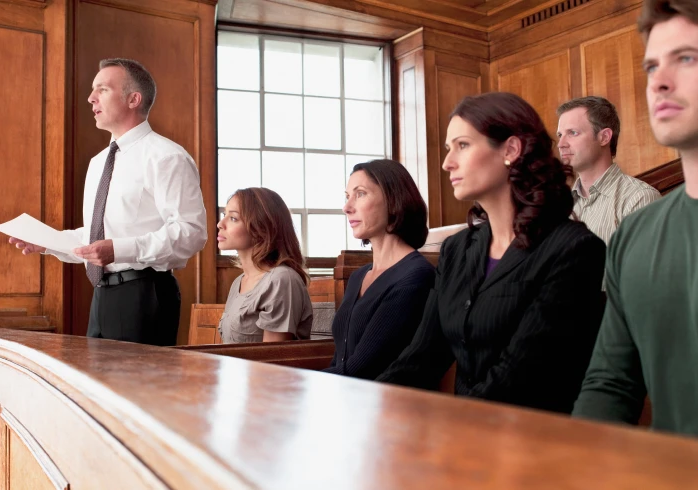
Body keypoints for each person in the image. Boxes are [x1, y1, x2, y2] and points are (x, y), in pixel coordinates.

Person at [573, 0, 698, 448]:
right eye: (651, 66)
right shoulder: (636, 234)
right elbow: (609, 387)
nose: (658, 82)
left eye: (686, 58)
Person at [376, 93, 606, 414]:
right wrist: (366, 405)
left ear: (510, 150)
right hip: (469, 437)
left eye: (463, 145)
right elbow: (421, 356)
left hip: (536, 445)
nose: (447, 162)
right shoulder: (457, 250)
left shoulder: (574, 250)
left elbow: (516, 380)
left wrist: (447, 432)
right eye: (448, 148)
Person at [9, 58, 206, 346]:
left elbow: (191, 232)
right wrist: (48, 243)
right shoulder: (99, 162)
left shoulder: (166, 156)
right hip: (102, 295)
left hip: (145, 294)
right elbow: (97, 236)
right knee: (99, 388)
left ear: (133, 99)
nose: (91, 98)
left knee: (138, 390)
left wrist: (119, 249)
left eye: (102, 89)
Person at [322, 160, 435, 380]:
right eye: (347, 196)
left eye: (360, 194)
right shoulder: (358, 276)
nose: (347, 207)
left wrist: (294, 384)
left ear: (394, 200)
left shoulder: (415, 277)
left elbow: (362, 370)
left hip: (390, 407)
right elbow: (340, 359)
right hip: (348, 398)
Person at [556, 96, 660, 246]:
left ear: (604, 137)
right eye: (560, 135)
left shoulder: (639, 198)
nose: (561, 144)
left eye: (573, 133)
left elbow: (643, 268)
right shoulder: (560, 207)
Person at [217, 187, 312, 343]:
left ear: (260, 227)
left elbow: (272, 359)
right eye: (224, 215)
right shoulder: (238, 282)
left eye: (233, 218)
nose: (220, 224)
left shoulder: (281, 280)